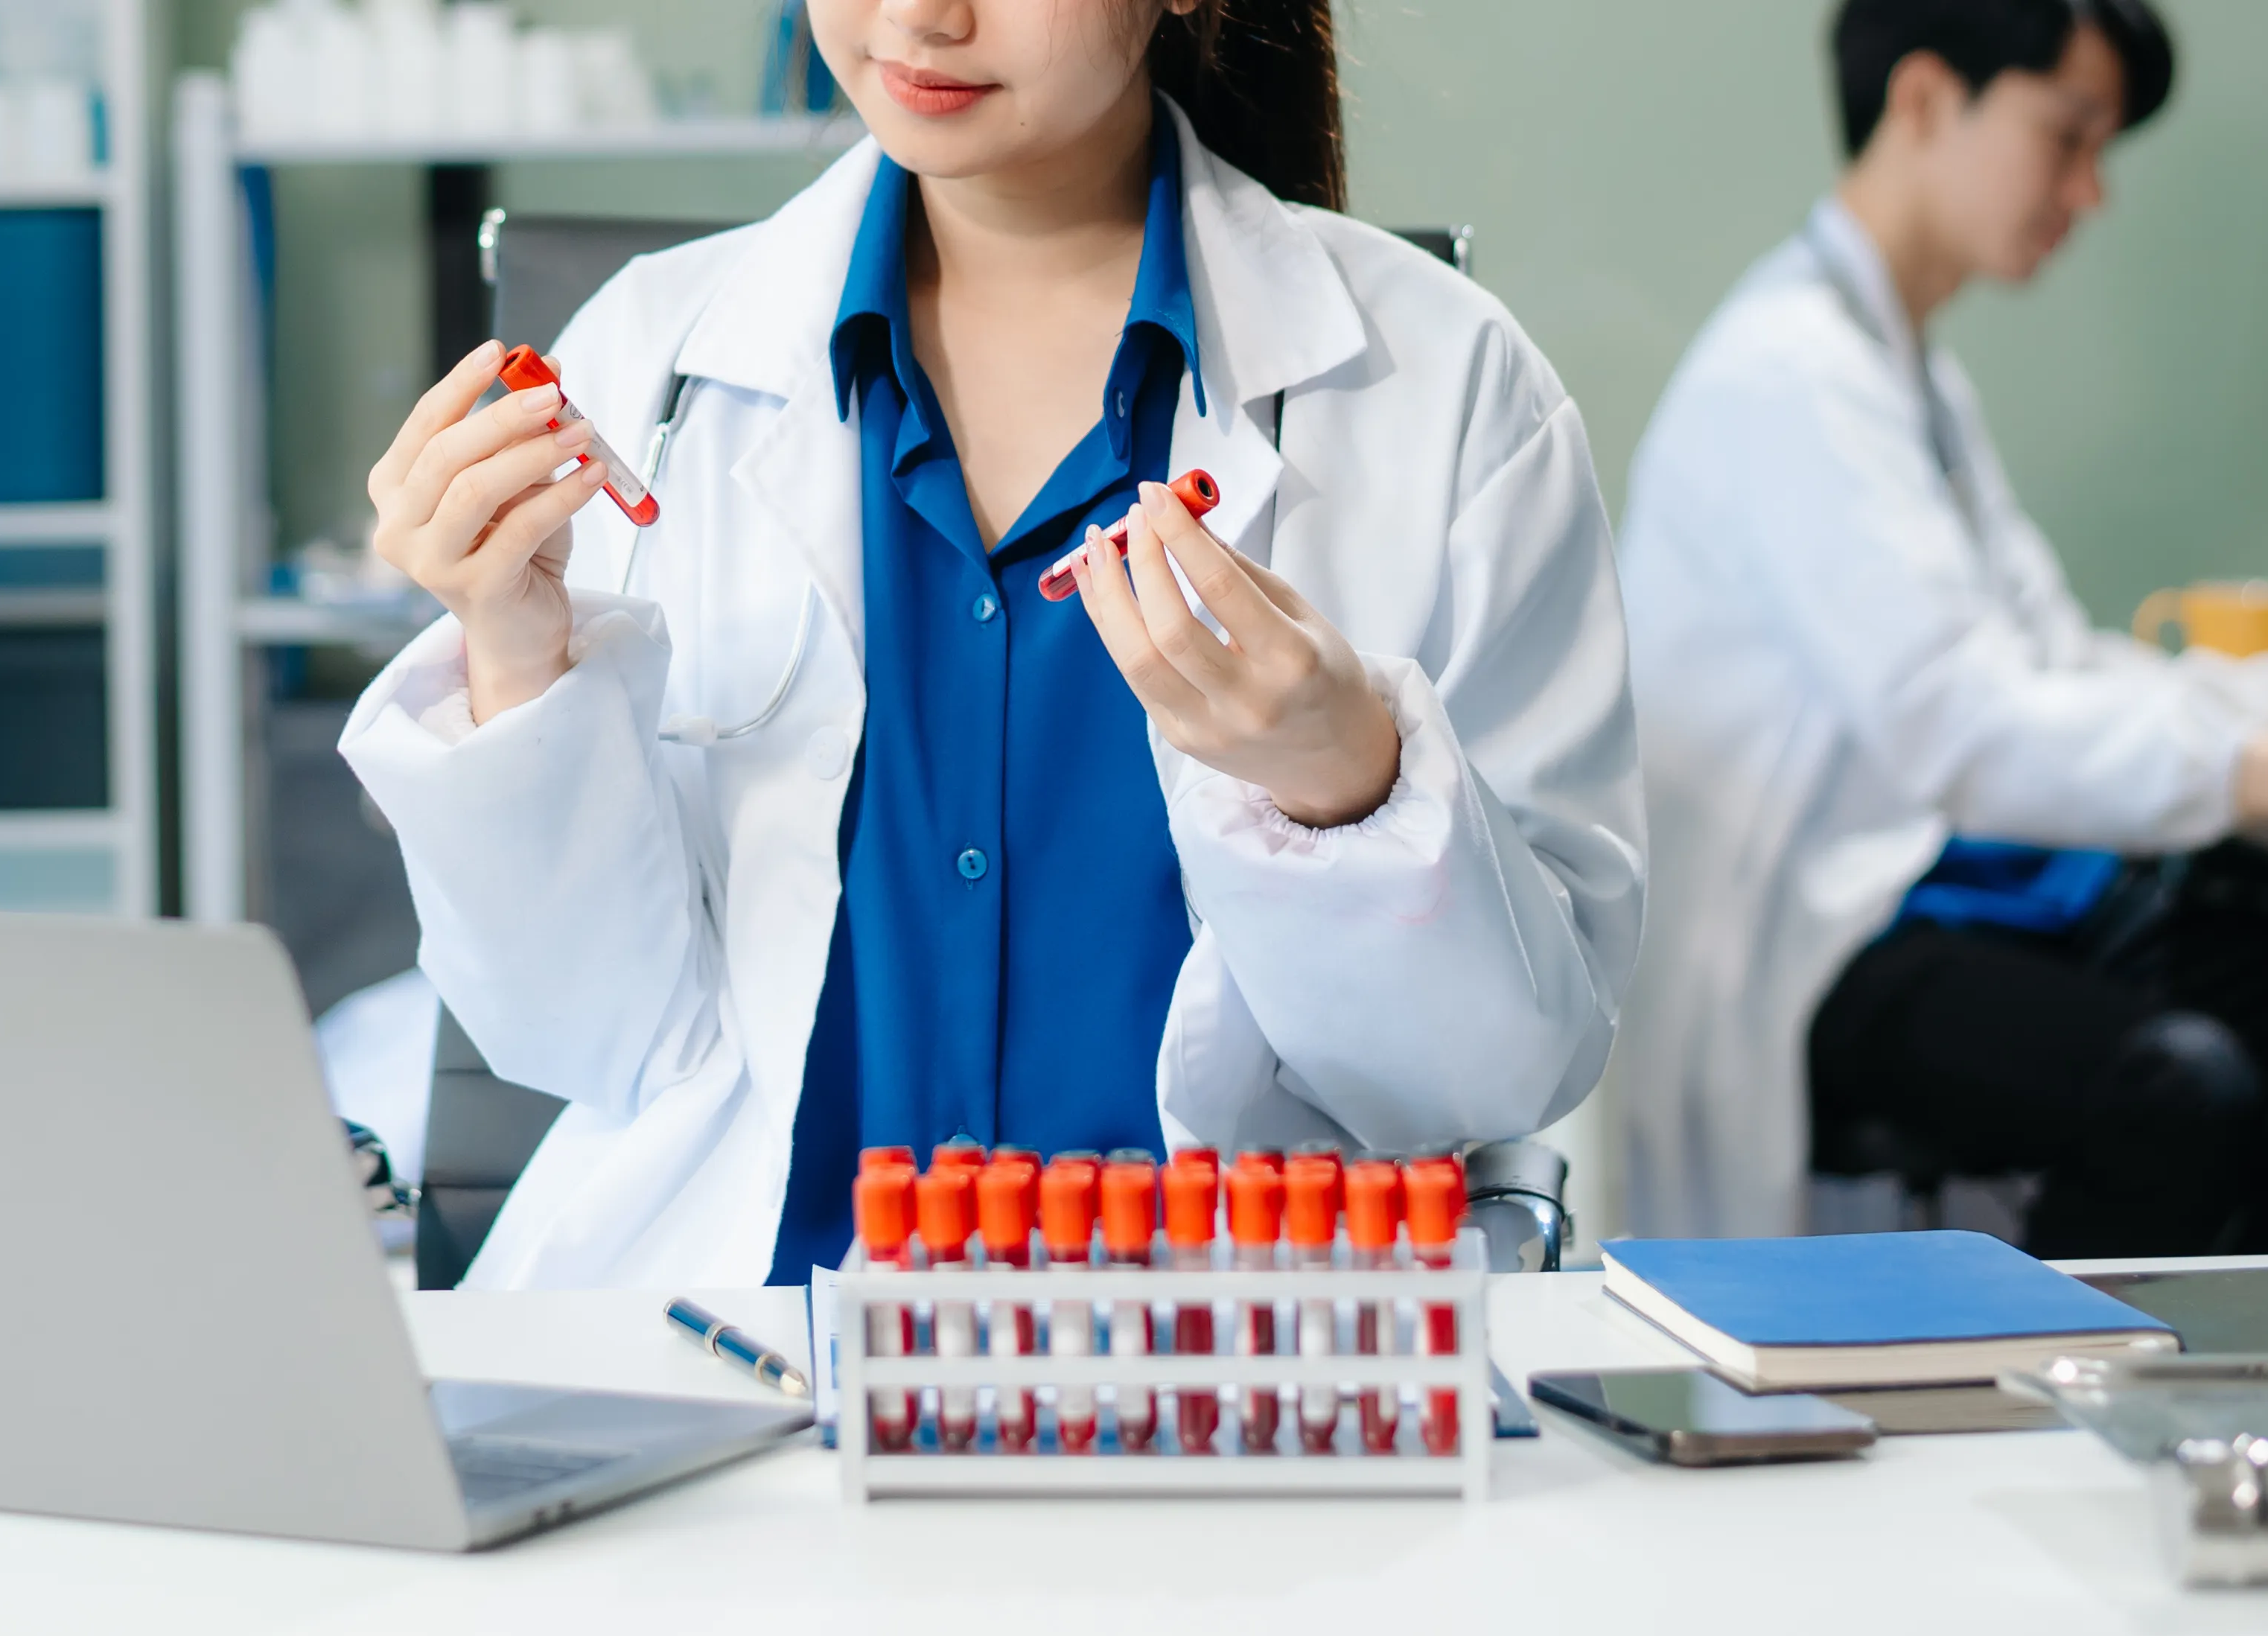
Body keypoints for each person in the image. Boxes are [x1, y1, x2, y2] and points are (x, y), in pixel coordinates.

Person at [341, 0, 1645, 1290]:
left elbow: (1489, 1077)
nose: (920, 16)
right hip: (750, 1341)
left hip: (1229, 1355)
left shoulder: (1448, 387)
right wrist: (516, 660)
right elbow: (582, 1039)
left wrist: (1345, 780)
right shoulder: (649, 356)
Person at [1608, 0, 2268, 1254]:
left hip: (1928, 890)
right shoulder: (1790, 373)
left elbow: (2048, 657)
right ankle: (2082, 1365)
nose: (2088, 193)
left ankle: (2248, 1338)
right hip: (1816, 946)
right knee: (2177, 1089)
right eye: (2068, 135)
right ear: (1924, 100)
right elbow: (1961, 729)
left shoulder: (1907, 372)